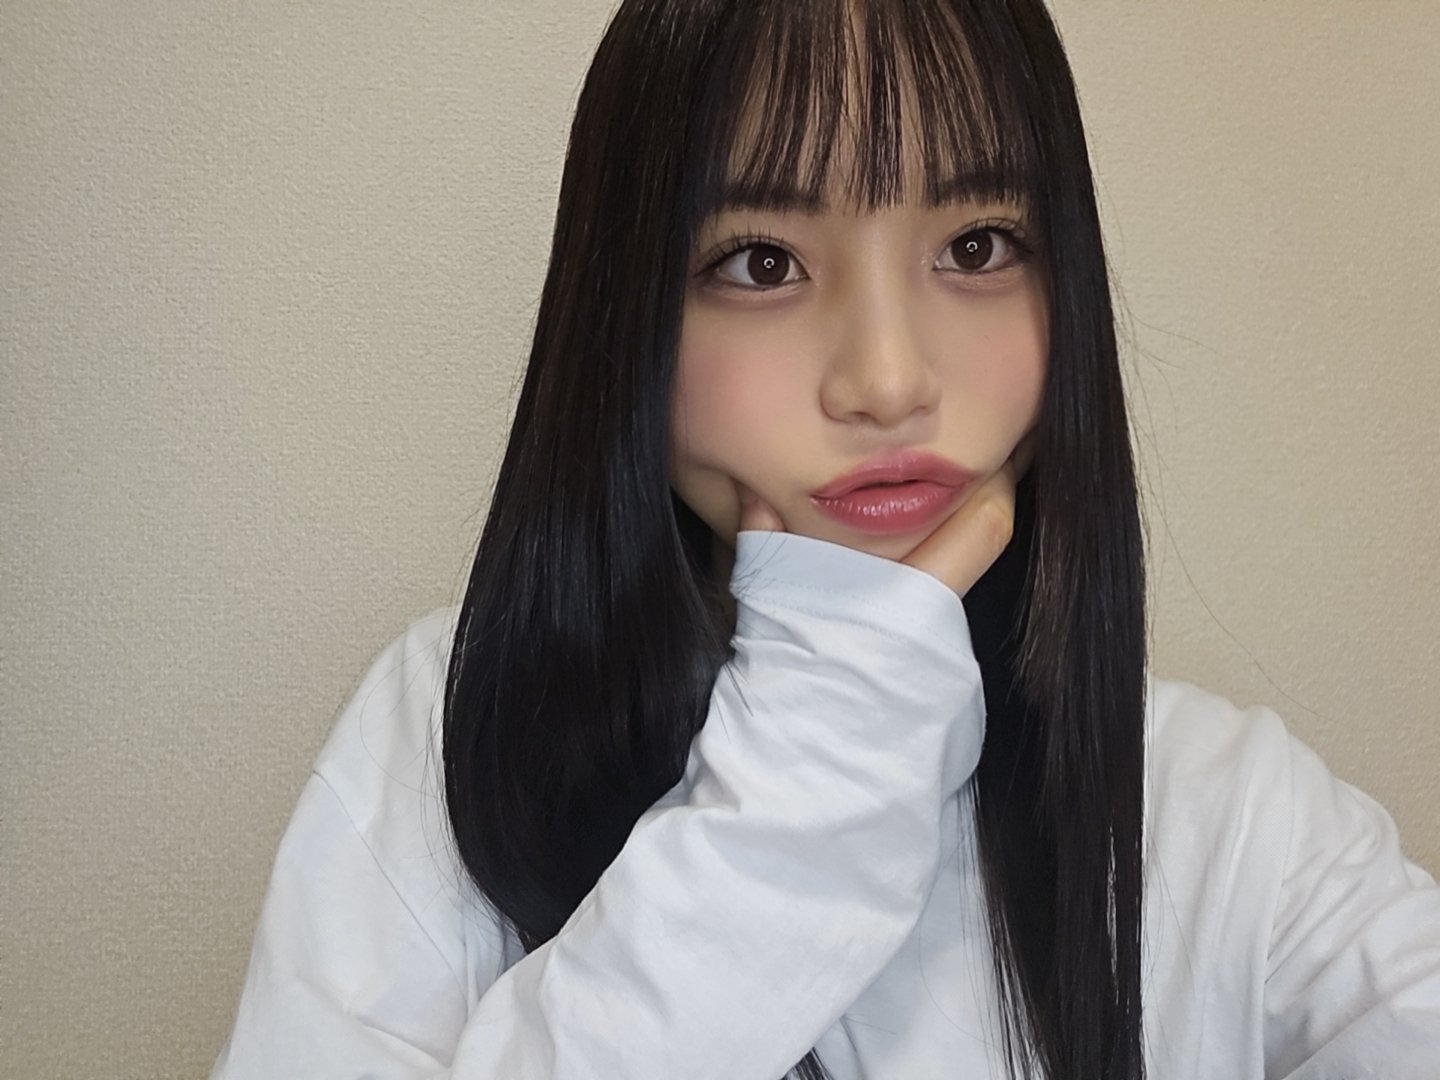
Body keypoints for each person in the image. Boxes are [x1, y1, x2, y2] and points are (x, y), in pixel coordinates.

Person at [209, 1, 1440, 1077]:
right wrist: (825, 750)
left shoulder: (1229, 817)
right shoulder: (459, 733)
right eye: (761, 263)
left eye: (976, 247)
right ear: (624, 316)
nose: (888, 381)